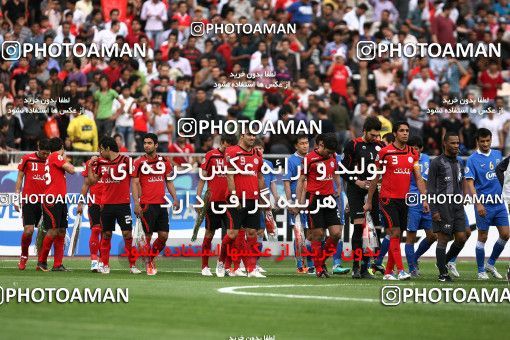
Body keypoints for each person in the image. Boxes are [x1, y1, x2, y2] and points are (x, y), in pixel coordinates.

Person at [364, 122, 429, 280]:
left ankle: (387, 272)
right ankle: (400, 270)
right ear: (395, 133)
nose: (405, 133)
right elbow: (375, 178)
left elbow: (418, 178)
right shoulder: (385, 153)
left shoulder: (413, 154)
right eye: (402, 131)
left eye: (407, 131)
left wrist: (424, 199)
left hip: (404, 200)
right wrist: (369, 201)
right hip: (387, 199)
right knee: (395, 232)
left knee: (397, 236)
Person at [216, 133, 267, 278]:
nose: (252, 138)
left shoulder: (257, 154)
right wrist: (233, 196)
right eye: (249, 135)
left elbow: (259, 177)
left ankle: (251, 269)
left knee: (252, 233)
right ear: (243, 135)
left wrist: (263, 196)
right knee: (232, 234)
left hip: (253, 199)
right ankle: (221, 261)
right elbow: (229, 175)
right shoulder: (232, 152)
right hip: (236, 199)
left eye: (254, 135)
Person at [87, 137, 140, 274]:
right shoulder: (100, 163)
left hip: (123, 204)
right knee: (106, 234)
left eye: (101, 149)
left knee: (127, 234)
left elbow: (135, 182)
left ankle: (132, 265)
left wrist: (137, 202)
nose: (99, 152)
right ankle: (105, 264)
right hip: (106, 204)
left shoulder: (127, 161)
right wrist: (89, 167)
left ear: (107, 148)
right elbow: (92, 182)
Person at [341, 117, 385, 278]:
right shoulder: (352, 144)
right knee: (359, 227)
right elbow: (343, 169)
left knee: (376, 228)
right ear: (364, 131)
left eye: (377, 135)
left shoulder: (381, 146)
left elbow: (384, 169)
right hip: (356, 191)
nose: (375, 138)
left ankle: (367, 266)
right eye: (372, 135)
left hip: (373, 191)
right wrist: (356, 181)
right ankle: (356, 267)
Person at [295, 133, 343, 278]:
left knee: (336, 234)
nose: (330, 155)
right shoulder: (309, 159)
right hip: (314, 199)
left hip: (329, 198)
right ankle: (319, 268)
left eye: (332, 153)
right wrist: (299, 201)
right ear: (321, 146)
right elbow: (301, 179)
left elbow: (335, 172)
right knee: (318, 234)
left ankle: (320, 262)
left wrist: (339, 187)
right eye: (328, 151)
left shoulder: (332, 156)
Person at [132, 133, 179, 275]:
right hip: (146, 204)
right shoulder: (138, 162)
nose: (146, 145)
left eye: (149, 143)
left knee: (163, 236)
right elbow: (134, 183)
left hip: (161, 204)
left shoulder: (165, 162)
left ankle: (150, 258)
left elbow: (169, 181)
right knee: (147, 236)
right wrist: (136, 203)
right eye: (145, 143)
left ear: (156, 145)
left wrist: (175, 198)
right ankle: (148, 264)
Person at [465, 128, 508, 279]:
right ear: (477, 141)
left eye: (488, 140)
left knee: (505, 234)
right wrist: (478, 204)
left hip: (499, 203)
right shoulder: (472, 159)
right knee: (483, 237)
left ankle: (491, 263)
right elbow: (470, 183)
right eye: (482, 141)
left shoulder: (497, 155)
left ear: (491, 140)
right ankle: (480, 270)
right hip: (483, 203)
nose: (485, 144)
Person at [196, 134, 238, 276]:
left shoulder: (234, 157)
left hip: (229, 201)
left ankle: (223, 264)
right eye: (227, 144)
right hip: (213, 200)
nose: (229, 148)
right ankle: (204, 266)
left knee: (229, 235)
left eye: (232, 146)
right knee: (210, 232)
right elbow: (203, 178)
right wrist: (198, 198)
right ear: (222, 142)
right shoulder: (211, 155)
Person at [428, 132, 467, 282]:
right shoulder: (437, 163)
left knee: (462, 237)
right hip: (442, 206)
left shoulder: (459, 163)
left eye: (458, 143)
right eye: (453, 143)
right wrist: (434, 210)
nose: (456, 146)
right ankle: (443, 274)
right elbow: (430, 188)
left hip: (457, 205)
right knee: (443, 239)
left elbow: (459, 183)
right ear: (445, 143)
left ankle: (442, 263)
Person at [37, 137, 76, 272]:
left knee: (61, 230)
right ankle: (41, 261)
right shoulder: (55, 156)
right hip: (52, 199)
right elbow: (71, 170)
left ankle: (57, 264)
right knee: (53, 231)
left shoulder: (51, 158)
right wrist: (64, 158)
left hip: (59, 199)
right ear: (61, 147)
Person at [15, 139, 50, 270]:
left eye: (48, 153)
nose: (45, 156)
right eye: (43, 153)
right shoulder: (27, 159)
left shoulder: (50, 161)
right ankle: (24, 256)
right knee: (29, 230)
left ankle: (41, 261)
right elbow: (19, 177)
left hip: (46, 201)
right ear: (38, 147)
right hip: (29, 200)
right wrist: (16, 197)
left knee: (43, 233)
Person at [283, 135, 314, 274]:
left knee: (311, 232)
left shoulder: (313, 158)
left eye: (306, 143)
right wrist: (290, 202)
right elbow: (287, 182)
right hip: (296, 199)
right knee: (298, 233)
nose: (305, 146)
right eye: (301, 143)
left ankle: (312, 263)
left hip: (310, 199)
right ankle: (300, 264)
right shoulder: (291, 160)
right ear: (296, 146)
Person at [405, 136, 436, 277]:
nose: (414, 151)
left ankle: (415, 258)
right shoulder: (406, 159)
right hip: (411, 201)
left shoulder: (426, 159)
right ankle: (412, 268)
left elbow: (425, 180)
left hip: (425, 200)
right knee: (411, 236)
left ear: (421, 149)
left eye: (416, 148)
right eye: (411, 148)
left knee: (432, 235)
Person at [77, 154, 104, 272]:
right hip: (94, 202)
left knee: (106, 232)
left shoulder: (114, 163)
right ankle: (94, 260)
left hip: (109, 203)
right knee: (96, 229)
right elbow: (86, 184)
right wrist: (80, 203)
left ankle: (103, 261)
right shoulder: (91, 163)